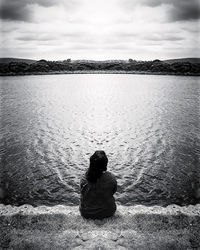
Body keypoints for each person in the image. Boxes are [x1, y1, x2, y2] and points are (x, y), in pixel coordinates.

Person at [79, 150, 117, 219]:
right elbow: (113, 191)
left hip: (87, 213)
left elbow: (82, 193)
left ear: (91, 164)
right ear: (105, 164)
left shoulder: (84, 178)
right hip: (108, 212)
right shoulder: (111, 178)